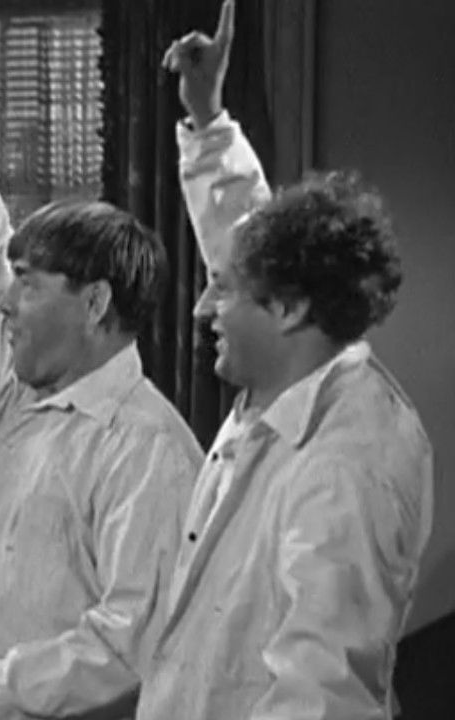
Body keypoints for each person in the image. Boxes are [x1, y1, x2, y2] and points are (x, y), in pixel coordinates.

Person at [135, 2, 434, 717]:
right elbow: (245, 235)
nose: (203, 308)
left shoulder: (348, 464)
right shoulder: (296, 369)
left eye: (224, 290)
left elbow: (320, 696)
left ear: (292, 309)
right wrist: (207, 119)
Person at [0, 22, 204, 720]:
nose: (6, 302)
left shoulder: (146, 452)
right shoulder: (27, 382)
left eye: (30, 285)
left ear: (94, 304)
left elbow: (131, 646)